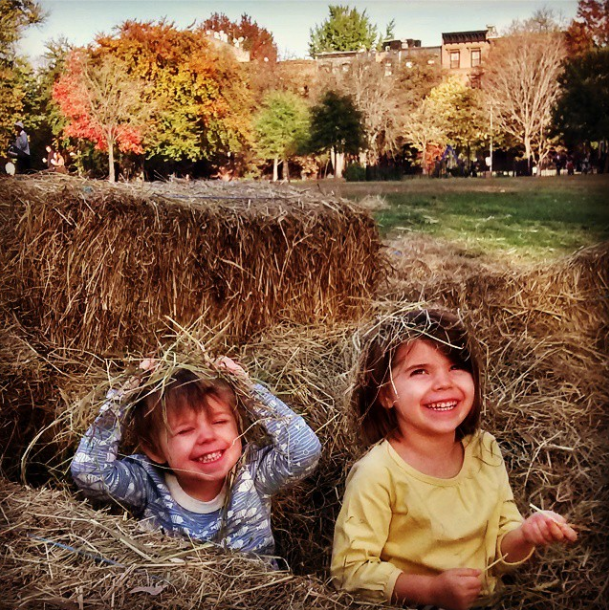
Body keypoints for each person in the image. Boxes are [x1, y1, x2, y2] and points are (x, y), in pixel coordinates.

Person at [331, 309, 577, 610]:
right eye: (420, 371)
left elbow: (500, 556)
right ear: (385, 394)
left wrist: (526, 534)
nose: (444, 383)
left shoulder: (485, 451)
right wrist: (432, 591)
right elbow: (349, 572)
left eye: (456, 367)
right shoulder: (378, 473)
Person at [71, 356, 322, 560]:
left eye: (220, 421)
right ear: (154, 449)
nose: (206, 437)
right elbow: (89, 473)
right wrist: (120, 401)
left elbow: (304, 452)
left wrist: (248, 391)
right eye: (185, 430)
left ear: (240, 427)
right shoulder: (148, 483)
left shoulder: (252, 474)